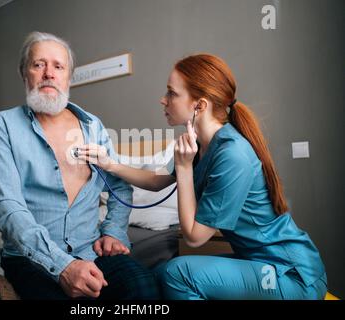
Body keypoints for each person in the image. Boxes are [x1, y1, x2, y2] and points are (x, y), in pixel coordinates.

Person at [76, 54, 327, 300]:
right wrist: (109, 164)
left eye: (171, 93)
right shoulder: (199, 145)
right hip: (259, 263)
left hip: (290, 274)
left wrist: (184, 169)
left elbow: (195, 237)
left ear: (200, 106)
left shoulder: (232, 154)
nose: (163, 100)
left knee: (177, 274)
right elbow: (156, 180)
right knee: (160, 273)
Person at [0, 31, 160, 300]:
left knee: (144, 287)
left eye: (58, 66)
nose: (48, 73)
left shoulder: (93, 126)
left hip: (92, 250)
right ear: (24, 73)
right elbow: (6, 205)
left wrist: (113, 232)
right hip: (32, 258)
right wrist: (62, 265)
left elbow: (120, 187)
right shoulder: (2, 125)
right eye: (38, 64)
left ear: (68, 77)